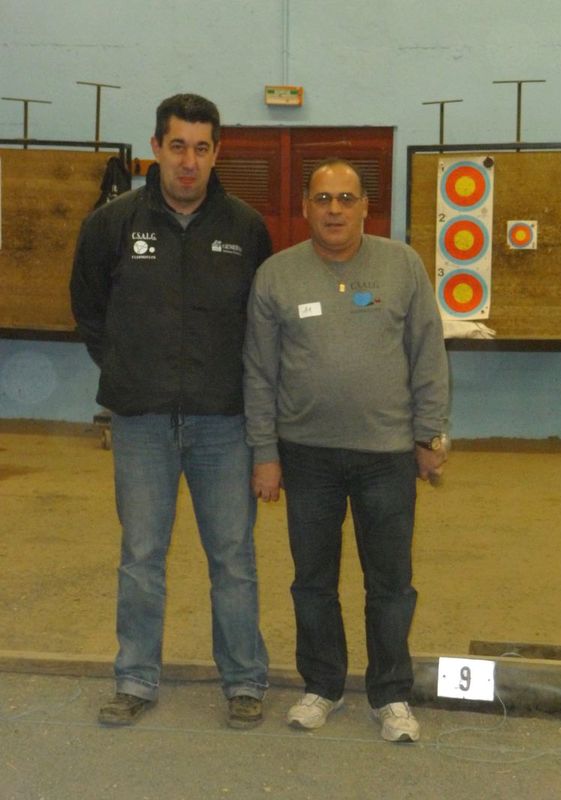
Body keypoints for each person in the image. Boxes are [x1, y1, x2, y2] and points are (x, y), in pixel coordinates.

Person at [70, 93, 271, 729]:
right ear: (155, 147)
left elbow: (261, 324)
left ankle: (244, 680)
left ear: (217, 153)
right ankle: (134, 679)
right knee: (141, 556)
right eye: (177, 146)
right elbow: (88, 308)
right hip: (141, 423)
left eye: (201, 148)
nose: (189, 161)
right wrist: (126, 369)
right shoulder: (111, 224)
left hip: (224, 424)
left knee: (233, 557)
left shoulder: (246, 228)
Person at [243, 158, 449, 742]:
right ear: (305, 207)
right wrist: (264, 452)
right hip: (305, 456)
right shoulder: (276, 276)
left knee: (390, 583)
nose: (334, 210)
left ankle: (391, 695)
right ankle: (323, 686)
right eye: (323, 198)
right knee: (313, 581)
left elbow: (428, 355)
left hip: (387, 456)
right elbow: (258, 372)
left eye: (346, 198)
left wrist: (430, 435)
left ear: (365, 208)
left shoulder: (402, 266)